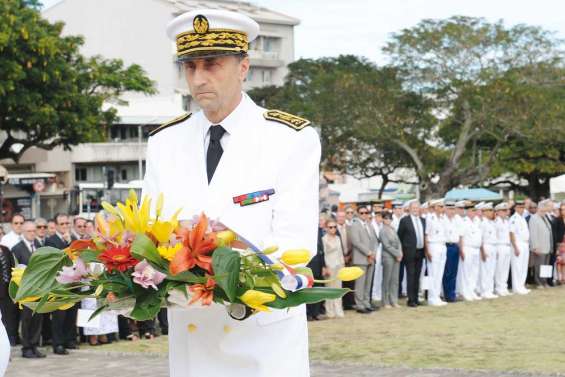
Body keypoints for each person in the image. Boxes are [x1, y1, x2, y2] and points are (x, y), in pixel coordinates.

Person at [143, 9, 320, 377]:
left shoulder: (289, 138)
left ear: (243, 67)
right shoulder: (164, 142)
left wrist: (222, 254)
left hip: (261, 331)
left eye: (212, 64)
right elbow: (151, 233)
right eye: (190, 67)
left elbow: (296, 245)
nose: (199, 78)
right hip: (193, 332)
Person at [11, 221, 46, 358]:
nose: (32, 233)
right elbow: (14, 269)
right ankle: (26, 348)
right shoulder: (17, 248)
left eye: (34, 230)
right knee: (26, 320)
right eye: (29, 231)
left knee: (38, 318)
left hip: (39, 290)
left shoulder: (38, 245)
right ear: (24, 232)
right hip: (25, 291)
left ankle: (34, 345)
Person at [45, 213, 77, 355]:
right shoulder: (50, 240)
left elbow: (78, 257)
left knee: (71, 313)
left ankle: (69, 339)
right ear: (57, 225)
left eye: (66, 223)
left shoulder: (74, 239)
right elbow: (59, 258)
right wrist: (66, 243)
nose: (65, 226)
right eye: (62, 224)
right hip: (58, 283)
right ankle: (58, 343)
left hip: (73, 282)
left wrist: (70, 242)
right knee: (59, 315)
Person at [397, 200, 426, 308]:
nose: (415, 210)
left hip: (420, 251)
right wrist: (401, 251)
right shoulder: (405, 221)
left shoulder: (423, 220)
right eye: (413, 208)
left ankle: (416, 298)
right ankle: (411, 300)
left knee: (418, 276)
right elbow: (399, 237)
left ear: (419, 209)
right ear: (409, 209)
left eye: (417, 208)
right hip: (409, 253)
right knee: (411, 275)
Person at [349, 206, 378, 313]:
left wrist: (373, 253)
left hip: (371, 258)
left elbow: (374, 240)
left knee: (368, 282)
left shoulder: (369, 225)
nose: (364, 215)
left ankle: (366, 303)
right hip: (361, 258)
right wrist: (369, 253)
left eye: (366, 213)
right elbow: (356, 242)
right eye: (361, 213)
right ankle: (360, 305)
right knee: (360, 283)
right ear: (357, 214)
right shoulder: (355, 225)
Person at [425, 199, 448, 306]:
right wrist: (427, 250)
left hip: (442, 246)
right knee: (432, 273)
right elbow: (426, 235)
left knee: (439, 273)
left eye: (443, 206)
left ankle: (437, 296)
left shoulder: (443, 219)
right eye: (440, 206)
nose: (443, 208)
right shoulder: (430, 218)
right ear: (435, 207)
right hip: (433, 246)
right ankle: (431, 297)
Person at [458, 203, 482, 301]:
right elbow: (461, 237)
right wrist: (462, 250)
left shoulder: (477, 221)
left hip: (476, 249)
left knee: (474, 272)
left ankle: (472, 291)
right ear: (467, 211)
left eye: (475, 210)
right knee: (466, 272)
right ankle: (465, 292)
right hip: (467, 248)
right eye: (472, 210)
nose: (474, 212)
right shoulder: (464, 221)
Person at [321, 220, 345, 318]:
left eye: (335, 227)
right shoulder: (323, 239)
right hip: (329, 266)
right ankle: (330, 311)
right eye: (330, 227)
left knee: (338, 288)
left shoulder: (338, 238)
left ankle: (338, 310)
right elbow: (324, 255)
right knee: (329, 289)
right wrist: (326, 267)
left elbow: (340, 252)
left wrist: (343, 264)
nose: (333, 229)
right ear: (326, 228)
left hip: (339, 265)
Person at [529, 200, 553, 288]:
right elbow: (533, 233)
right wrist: (535, 247)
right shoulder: (534, 218)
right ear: (541, 207)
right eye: (546, 208)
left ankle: (544, 282)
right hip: (539, 247)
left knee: (545, 266)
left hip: (547, 246)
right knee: (539, 265)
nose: (547, 210)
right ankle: (538, 282)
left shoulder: (544, 217)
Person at [380, 212, 402, 308]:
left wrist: (400, 252)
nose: (388, 220)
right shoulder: (382, 231)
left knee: (395, 280)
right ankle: (385, 301)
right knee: (387, 279)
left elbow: (399, 242)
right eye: (386, 218)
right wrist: (397, 253)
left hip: (396, 257)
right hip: (388, 257)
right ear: (383, 220)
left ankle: (394, 300)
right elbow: (386, 245)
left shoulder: (393, 229)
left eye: (390, 218)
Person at [306, 217, 326, 321]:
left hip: (318, 265)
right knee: (309, 289)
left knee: (318, 289)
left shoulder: (319, 231)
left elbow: (322, 251)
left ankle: (316, 312)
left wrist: (323, 266)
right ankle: (308, 313)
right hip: (308, 265)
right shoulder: (305, 231)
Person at [509, 201, 530, 294]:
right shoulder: (513, 218)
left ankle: (521, 285)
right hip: (518, 243)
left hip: (525, 244)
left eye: (523, 207)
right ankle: (516, 287)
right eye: (520, 207)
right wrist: (515, 247)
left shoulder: (523, 218)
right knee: (517, 266)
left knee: (523, 266)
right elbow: (511, 233)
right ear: (515, 208)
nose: (522, 209)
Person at [442, 201, 462, 302]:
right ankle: (447, 294)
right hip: (447, 246)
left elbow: (460, 235)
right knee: (447, 272)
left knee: (454, 272)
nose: (452, 211)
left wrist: (460, 248)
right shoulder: (442, 219)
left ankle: (452, 294)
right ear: (445, 209)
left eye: (453, 209)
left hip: (455, 246)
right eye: (449, 209)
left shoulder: (457, 219)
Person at [479, 203, 498, 299]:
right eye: (489, 210)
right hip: (486, 247)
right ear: (484, 212)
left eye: (492, 210)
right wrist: (482, 251)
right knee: (485, 270)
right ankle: (484, 291)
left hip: (493, 247)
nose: (492, 213)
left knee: (491, 270)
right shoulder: (483, 223)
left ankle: (489, 290)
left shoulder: (492, 222)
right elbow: (480, 239)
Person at [0, 243, 18, 347]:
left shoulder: (5, 249)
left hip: (7, 290)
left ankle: (10, 339)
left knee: (10, 316)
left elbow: (12, 268)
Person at [494, 203, 512, 296]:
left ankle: (504, 287)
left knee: (505, 268)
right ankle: (498, 288)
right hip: (500, 246)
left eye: (506, 210)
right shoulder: (496, 222)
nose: (506, 212)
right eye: (503, 211)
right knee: (499, 268)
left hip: (507, 246)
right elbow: (495, 236)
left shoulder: (507, 221)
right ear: (498, 212)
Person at [555, 202, 565, 283]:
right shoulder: (557, 220)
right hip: (560, 243)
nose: (563, 211)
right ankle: (559, 278)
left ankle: (564, 277)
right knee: (559, 261)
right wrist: (558, 244)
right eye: (562, 210)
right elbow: (556, 233)